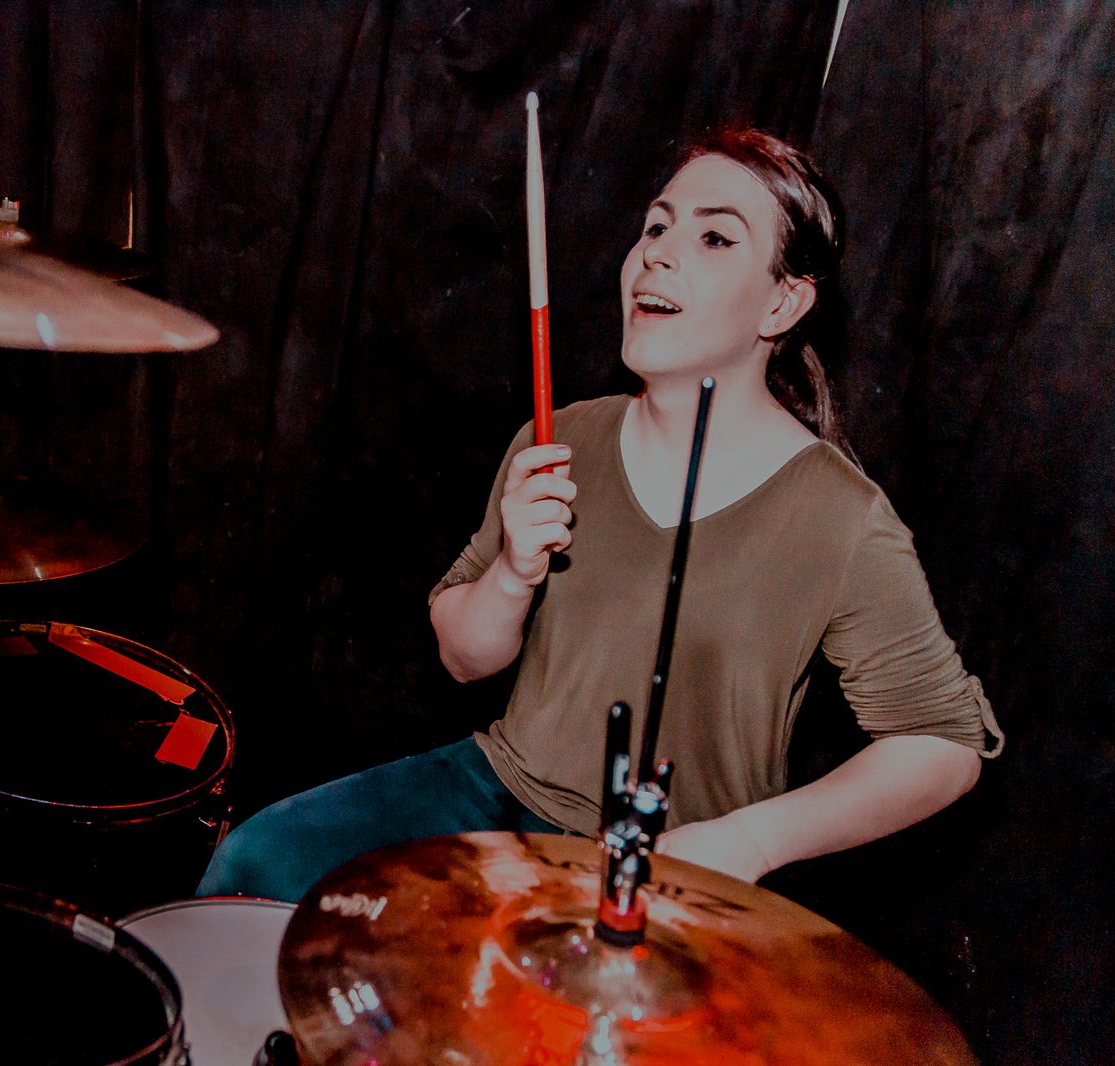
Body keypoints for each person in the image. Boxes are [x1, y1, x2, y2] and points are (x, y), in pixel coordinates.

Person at [196, 128, 1003, 903]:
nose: (659, 252)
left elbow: (943, 745)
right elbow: (463, 659)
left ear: (784, 302)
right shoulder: (560, 437)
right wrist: (512, 573)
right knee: (256, 863)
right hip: (494, 793)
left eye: (714, 237)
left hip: (670, 858)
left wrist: (751, 841)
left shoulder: (840, 516)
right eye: (656, 226)